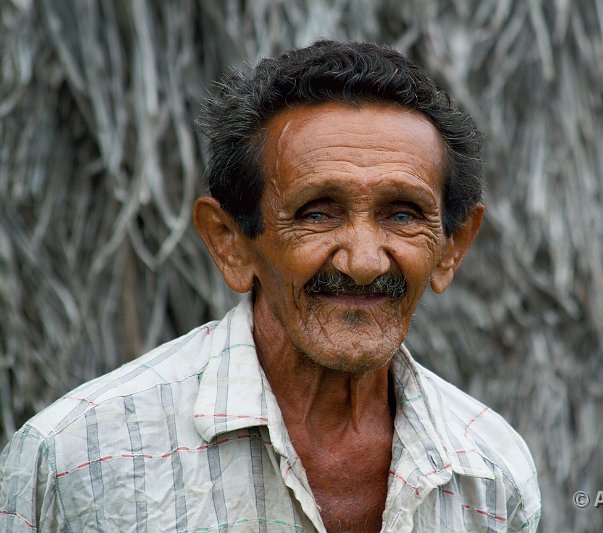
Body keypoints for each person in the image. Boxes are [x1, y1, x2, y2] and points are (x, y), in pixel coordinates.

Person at [0, 40, 540, 532]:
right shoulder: (78, 461)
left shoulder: (491, 471)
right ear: (230, 243)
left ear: (451, 248)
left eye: (402, 214)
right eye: (317, 214)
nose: (364, 262)